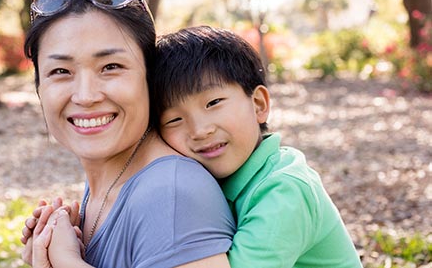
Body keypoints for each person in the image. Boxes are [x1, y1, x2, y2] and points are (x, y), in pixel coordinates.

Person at [21, 0, 236, 268]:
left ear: (149, 77)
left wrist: (65, 261)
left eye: (111, 67)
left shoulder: (171, 196)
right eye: (60, 71)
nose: (85, 96)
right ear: (39, 87)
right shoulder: (109, 181)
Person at [152, 25, 362, 268]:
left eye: (213, 102)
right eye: (174, 119)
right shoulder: (203, 183)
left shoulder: (284, 190)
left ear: (259, 105)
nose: (200, 130)